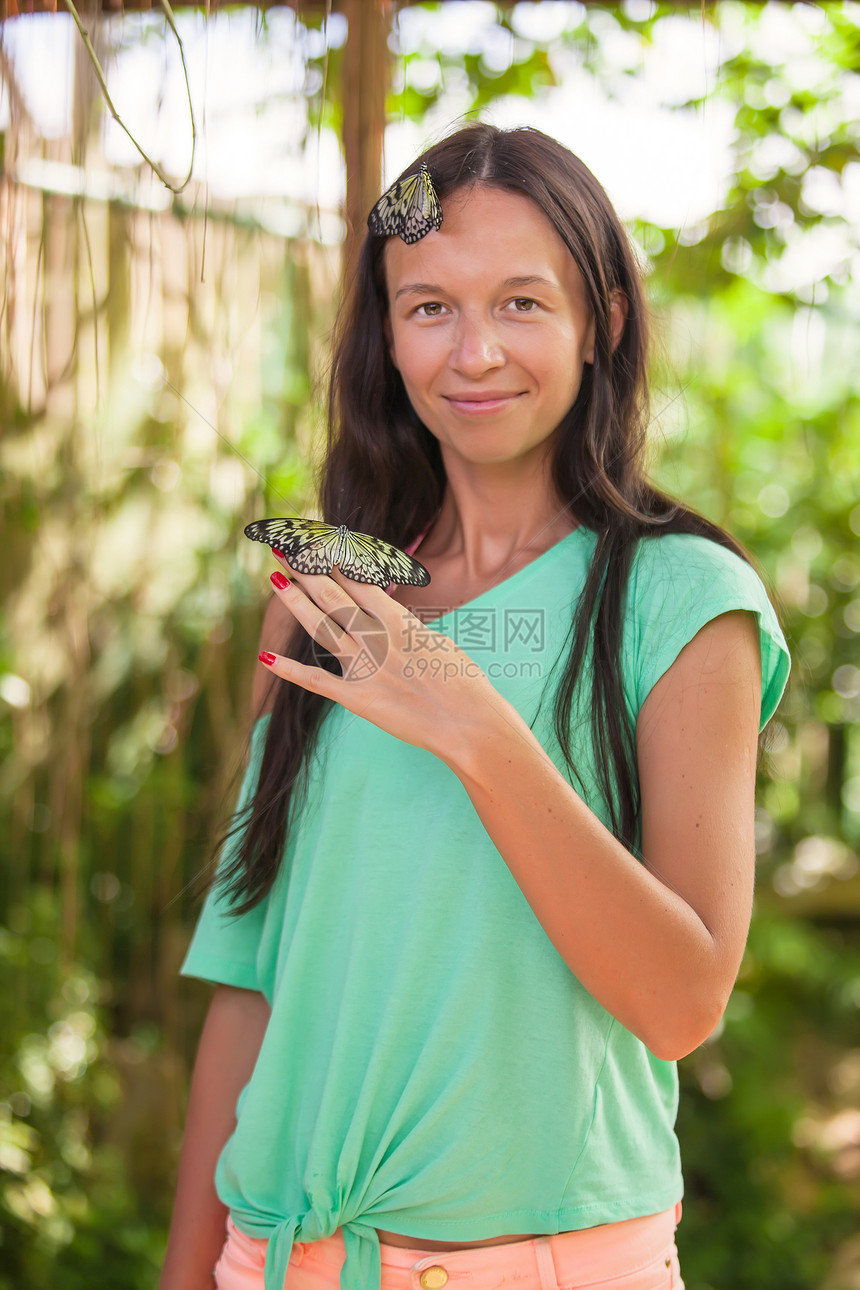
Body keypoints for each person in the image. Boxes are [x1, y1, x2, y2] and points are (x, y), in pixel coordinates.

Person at [159, 123, 790, 1290]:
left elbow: (682, 1003)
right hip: (275, 1263)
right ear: (385, 335)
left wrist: (472, 722)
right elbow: (255, 984)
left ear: (599, 322)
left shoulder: (680, 601)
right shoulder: (326, 591)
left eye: (520, 303)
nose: (474, 352)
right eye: (428, 307)